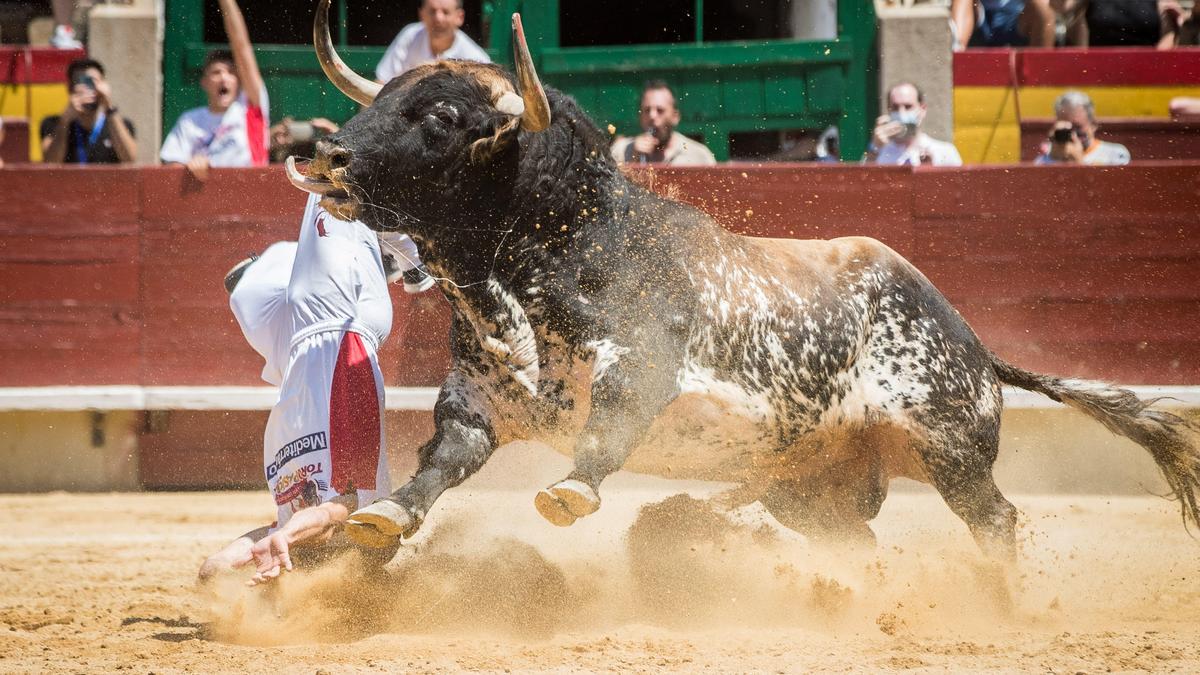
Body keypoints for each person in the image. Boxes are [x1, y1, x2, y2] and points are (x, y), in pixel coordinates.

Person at [198, 194, 435, 584]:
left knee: (343, 184)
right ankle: (392, 257)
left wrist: (286, 537)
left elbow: (336, 514)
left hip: (336, 346)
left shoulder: (326, 527)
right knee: (334, 238)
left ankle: (399, 254)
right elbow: (313, 523)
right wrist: (224, 561)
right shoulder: (299, 515)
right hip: (291, 382)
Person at [160, 0, 268, 180]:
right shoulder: (189, 121)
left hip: (250, 200)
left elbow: (242, 48)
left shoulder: (251, 108)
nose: (224, 77)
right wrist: (189, 168)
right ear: (204, 82)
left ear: (239, 81)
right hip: (204, 205)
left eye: (231, 72)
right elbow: (171, 167)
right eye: (216, 72)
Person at [40, 58, 137, 164]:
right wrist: (65, 120)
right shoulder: (53, 124)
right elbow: (50, 162)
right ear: (69, 87)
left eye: (92, 81)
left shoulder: (120, 124)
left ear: (103, 85)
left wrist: (109, 107)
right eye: (80, 81)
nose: (87, 88)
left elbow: (129, 159)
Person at [375, 0, 490, 84]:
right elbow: (382, 82)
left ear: (459, 17)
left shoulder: (476, 58)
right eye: (432, 11)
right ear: (421, 14)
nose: (438, 18)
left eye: (445, 12)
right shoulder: (410, 36)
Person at [610, 80, 717, 166]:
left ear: (675, 117)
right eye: (647, 110)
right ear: (640, 116)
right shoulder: (620, 151)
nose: (652, 116)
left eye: (660, 110)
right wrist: (632, 160)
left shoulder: (698, 155)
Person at [866, 82, 962, 167]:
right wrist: (874, 149)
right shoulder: (879, 153)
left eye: (908, 107)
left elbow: (960, 186)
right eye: (895, 107)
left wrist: (931, 173)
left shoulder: (944, 152)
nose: (901, 113)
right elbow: (861, 183)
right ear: (889, 110)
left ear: (922, 110)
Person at [1035, 90, 1130, 166]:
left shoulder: (1114, 154)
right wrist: (1054, 160)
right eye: (1066, 128)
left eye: (1077, 127)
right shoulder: (1047, 157)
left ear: (1093, 124)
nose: (1072, 134)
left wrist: (1079, 162)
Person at [951, 0, 1056, 49]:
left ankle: (1041, 72)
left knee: (1042, 8)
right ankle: (956, 53)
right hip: (977, 18)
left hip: (1016, 18)